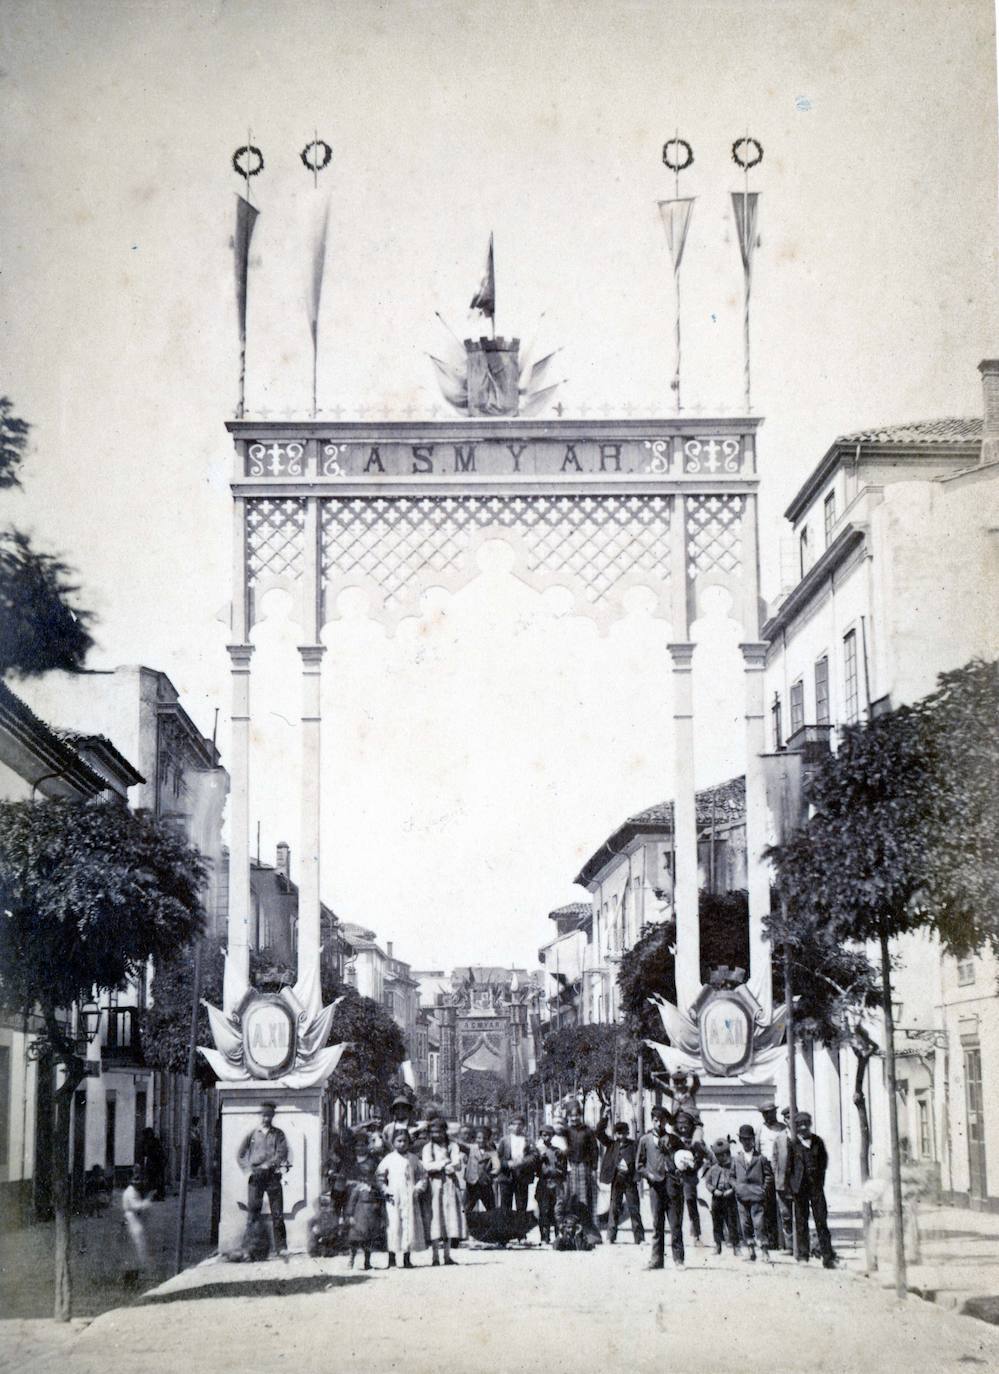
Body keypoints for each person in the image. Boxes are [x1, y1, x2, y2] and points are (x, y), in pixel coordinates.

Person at [237, 1100, 290, 1256]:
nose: (266, 1118)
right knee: (253, 1212)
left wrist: (270, 1164)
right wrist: (248, 1169)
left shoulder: (278, 1134)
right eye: (264, 1115)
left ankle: (281, 1247)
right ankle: (248, 1247)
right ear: (260, 1115)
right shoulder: (253, 1133)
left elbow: (282, 1153)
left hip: (273, 1176)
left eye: (269, 1115)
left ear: (273, 1116)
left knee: (277, 1213)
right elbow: (241, 1154)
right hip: (256, 1177)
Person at [637, 1106, 685, 1270]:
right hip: (655, 1187)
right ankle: (656, 1260)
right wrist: (648, 1175)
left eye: (662, 1120)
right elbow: (639, 1165)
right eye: (656, 1120)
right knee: (657, 1224)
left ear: (666, 1122)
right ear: (652, 1121)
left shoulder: (674, 1139)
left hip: (672, 1186)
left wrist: (681, 1169)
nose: (659, 1123)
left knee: (675, 1224)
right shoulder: (645, 1140)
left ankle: (679, 1260)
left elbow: (685, 1158)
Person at [376, 1128, 428, 1268]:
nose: (402, 1144)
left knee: (409, 1226)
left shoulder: (413, 1158)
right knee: (393, 1226)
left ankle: (407, 1257)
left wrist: (418, 1188)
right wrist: (386, 1190)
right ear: (393, 1142)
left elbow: (423, 1175)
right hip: (394, 1196)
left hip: (409, 1196)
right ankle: (391, 1258)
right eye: (399, 1141)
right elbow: (380, 1177)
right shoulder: (389, 1159)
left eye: (405, 1141)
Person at [792, 1112, 836, 1268]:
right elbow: (788, 1167)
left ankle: (827, 1256)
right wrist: (792, 1186)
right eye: (800, 1125)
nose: (803, 1127)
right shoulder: (793, 1144)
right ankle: (803, 1255)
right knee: (801, 1221)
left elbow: (824, 1162)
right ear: (796, 1128)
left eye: (806, 1124)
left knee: (821, 1220)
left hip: (816, 1187)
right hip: (799, 1189)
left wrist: (819, 1180)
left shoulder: (818, 1142)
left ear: (810, 1124)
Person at [595, 1114, 645, 1246]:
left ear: (627, 1133)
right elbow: (598, 1133)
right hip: (616, 1180)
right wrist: (605, 1117)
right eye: (618, 1133)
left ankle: (639, 1238)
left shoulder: (633, 1145)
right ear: (615, 1134)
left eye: (623, 1133)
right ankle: (610, 1237)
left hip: (629, 1180)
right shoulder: (611, 1144)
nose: (621, 1136)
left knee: (634, 1208)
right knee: (614, 1208)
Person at [422, 1118, 466, 1265]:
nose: (436, 1135)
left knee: (449, 1217)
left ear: (444, 1131)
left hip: (449, 1184)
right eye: (433, 1132)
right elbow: (427, 1166)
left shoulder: (452, 1145)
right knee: (435, 1218)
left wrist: (449, 1166)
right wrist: (442, 1164)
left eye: (439, 1131)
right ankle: (435, 1256)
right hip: (434, 1185)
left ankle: (447, 1255)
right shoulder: (428, 1148)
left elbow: (457, 1164)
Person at [344, 1133, 386, 1270]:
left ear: (368, 1146)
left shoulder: (373, 1162)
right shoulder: (350, 1161)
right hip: (354, 1201)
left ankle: (367, 1261)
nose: (360, 1148)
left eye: (363, 1145)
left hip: (369, 1202)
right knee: (354, 1234)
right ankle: (351, 1259)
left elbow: (378, 1181)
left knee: (369, 1236)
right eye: (357, 1145)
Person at [561, 1101, 601, 1243]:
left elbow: (594, 1150)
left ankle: (589, 1229)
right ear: (568, 1117)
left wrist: (595, 1167)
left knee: (586, 1198)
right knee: (571, 1198)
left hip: (584, 1167)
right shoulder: (566, 1131)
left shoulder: (587, 1131)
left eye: (577, 1115)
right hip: (571, 1167)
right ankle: (571, 1227)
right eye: (572, 1116)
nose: (574, 1118)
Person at [732, 1124, 772, 1263]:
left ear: (753, 1139)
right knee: (745, 1223)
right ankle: (750, 1249)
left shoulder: (761, 1158)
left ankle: (764, 1250)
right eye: (743, 1139)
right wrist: (736, 1187)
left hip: (757, 1195)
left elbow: (768, 1175)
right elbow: (731, 1176)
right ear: (740, 1141)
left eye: (749, 1139)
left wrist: (763, 1189)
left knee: (759, 1223)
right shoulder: (737, 1159)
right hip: (742, 1196)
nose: (746, 1142)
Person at [703, 1138, 742, 1256]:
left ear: (727, 1154)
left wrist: (732, 1190)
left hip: (730, 1198)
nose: (719, 1158)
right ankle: (718, 1245)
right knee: (717, 1223)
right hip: (717, 1198)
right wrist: (714, 1191)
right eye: (717, 1155)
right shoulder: (713, 1169)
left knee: (732, 1222)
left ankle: (736, 1246)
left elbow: (739, 1180)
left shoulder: (734, 1165)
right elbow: (707, 1182)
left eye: (722, 1155)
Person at [675, 1113, 708, 1246]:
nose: (683, 1129)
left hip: (689, 1178)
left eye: (686, 1126)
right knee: (676, 1206)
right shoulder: (674, 1139)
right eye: (680, 1126)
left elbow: (701, 1157)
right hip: (676, 1177)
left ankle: (696, 1236)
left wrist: (695, 1165)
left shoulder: (696, 1140)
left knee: (691, 1204)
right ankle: (676, 1235)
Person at [121, 1165, 154, 1287]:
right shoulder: (130, 1192)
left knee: (135, 1253)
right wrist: (148, 1200)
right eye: (136, 1179)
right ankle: (129, 1281)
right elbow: (137, 1206)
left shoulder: (133, 1191)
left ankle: (133, 1279)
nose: (138, 1182)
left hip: (134, 1223)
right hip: (132, 1223)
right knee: (133, 1254)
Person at [497, 1113, 538, 1213]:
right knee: (505, 1205)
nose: (517, 1127)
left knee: (522, 1204)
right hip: (506, 1177)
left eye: (520, 1124)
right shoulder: (504, 1140)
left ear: (524, 1126)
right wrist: (507, 1164)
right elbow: (497, 1158)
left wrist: (522, 1162)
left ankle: (520, 1226)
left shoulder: (528, 1140)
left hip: (522, 1176)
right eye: (514, 1124)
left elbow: (534, 1156)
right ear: (509, 1126)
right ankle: (506, 1227)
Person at [758, 1104, 785, 1250]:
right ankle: (771, 1240)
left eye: (771, 1113)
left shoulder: (781, 1128)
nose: (768, 1116)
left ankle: (784, 1241)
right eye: (765, 1113)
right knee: (767, 1205)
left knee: (782, 1204)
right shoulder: (760, 1130)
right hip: (765, 1168)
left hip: (779, 1168)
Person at [535, 1123, 566, 1244]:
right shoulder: (537, 1152)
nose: (546, 1137)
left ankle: (559, 1236)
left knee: (557, 1211)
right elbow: (534, 1169)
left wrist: (557, 1168)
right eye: (544, 1135)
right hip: (543, 1183)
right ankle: (544, 1237)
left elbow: (563, 1169)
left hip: (556, 1184)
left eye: (549, 1135)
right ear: (541, 1136)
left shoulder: (558, 1152)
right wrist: (539, 1160)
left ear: (552, 1136)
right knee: (543, 1211)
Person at [463, 1126, 500, 1218]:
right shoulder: (471, 1148)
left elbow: (497, 1166)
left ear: (488, 1139)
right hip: (471, 1184)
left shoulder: (492, 1151)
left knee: (491, 1209)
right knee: (466, 1208)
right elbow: (460, 1144)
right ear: (475, 1138)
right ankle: (466, 1229)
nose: (482, 1140)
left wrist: (489, 1176)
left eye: (485, 1138)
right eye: (479, 1138)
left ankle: (492, 1230)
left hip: (485, 1185)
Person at [139, 1128, 166, 1201]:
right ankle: (160, 1195)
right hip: (158, 1163)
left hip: (153, 1163)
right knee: (158, 1180)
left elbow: (144, 1153)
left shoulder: (146, 1142)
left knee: (152, 1180)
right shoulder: (156, 1141)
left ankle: (154, 1195)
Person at [189, 1116, 205, 1185]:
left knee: (198, 1160)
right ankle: (193, 1174)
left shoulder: (197, 1129)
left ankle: (195, 1174)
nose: (199, 1123)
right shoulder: (192, 1130)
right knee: (194, 1160)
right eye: (198, 1122)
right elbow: (194, 1138)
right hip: (194, 1147)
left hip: (197, 1147)